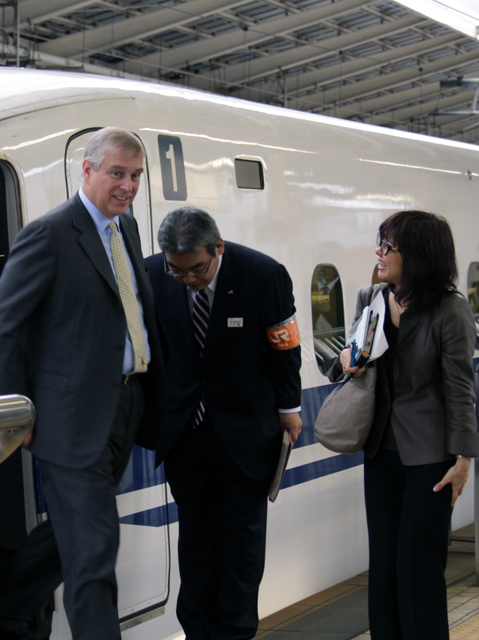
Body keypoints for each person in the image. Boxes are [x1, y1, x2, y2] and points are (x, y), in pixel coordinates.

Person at [0, 127, 168, 639]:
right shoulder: (51, 234)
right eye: (117, 173)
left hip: (124, 407)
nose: (128, 186)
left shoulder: (123, 230)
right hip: (69, 420)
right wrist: (16, 414)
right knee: (93, 552)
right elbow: (3, 325)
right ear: (85, 171)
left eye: (135, 176)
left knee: (76, 532)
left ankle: (10, 608)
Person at [144, 207, 302, 640]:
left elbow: (284, 345)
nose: (187, 280)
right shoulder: (153, 274)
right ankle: (196, 629)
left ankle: (233, 631)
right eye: (176, 271)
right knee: (195, 538)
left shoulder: (262, 274)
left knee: (242, 541)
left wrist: (290, 407)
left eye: (195, 270)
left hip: (245, 431)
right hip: (185, 433)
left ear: (218, 248)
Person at [336, 210, 479, 640]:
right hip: (380, 451)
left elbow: (460, 388)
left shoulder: (450, 310)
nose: (378, 253)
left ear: (417, 255)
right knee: (383, 567)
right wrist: (346, 360)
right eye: (379, 244)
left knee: (418, 568)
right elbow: (348, 356)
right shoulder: (371, 298)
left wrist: (464, 458)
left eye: (388, 246)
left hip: (431, 459)